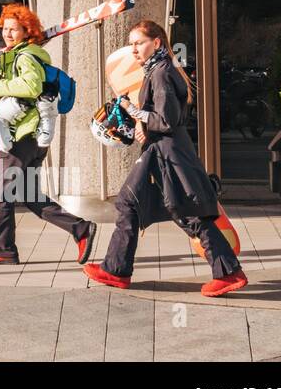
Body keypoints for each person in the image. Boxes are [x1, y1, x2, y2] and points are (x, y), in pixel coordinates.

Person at [84, 19, 248, 297]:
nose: (133, 49)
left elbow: (167, 119)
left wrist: (133, 111)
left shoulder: (161, 72)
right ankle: (115, 270)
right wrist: (140, 123)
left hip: (167, 153)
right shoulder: (158, 69)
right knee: (130, 204)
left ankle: (229, 273)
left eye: (139, 43)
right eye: (131, 43)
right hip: (160, 151)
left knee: (188, 211)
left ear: (157, 42)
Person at [0, 3, 97, 266]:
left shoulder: (26, 56)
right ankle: (80, 228)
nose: (8, 34)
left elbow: (30, 85)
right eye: (5, 28)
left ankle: (3, 250)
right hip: (34, 138)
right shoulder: (17, 54)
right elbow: (3, 80)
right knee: (29, 194)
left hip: (22, 136)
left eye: (14, 29)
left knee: (0, 191)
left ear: (26, 31)